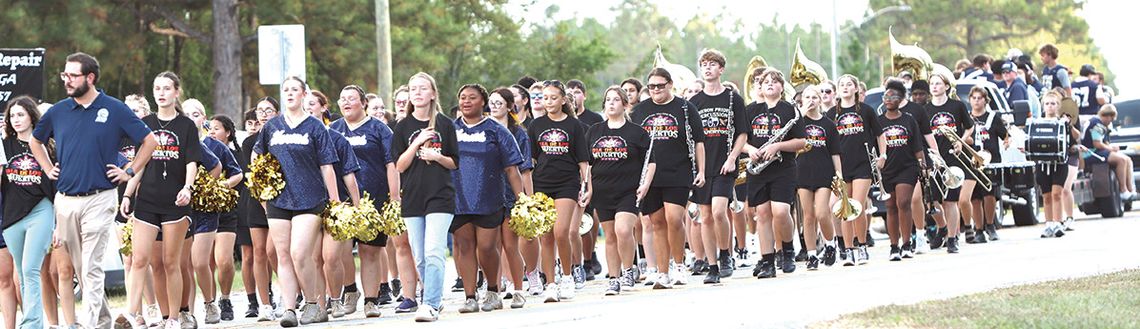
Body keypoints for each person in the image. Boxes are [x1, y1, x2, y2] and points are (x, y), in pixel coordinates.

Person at [30, 52, 158, 329]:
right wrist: (46, 167)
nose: (67, 80)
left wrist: (130, 171)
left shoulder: (114, 109)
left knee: (91, 266)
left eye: (73, 75)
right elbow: (35, 141)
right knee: (82, 268)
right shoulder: (59, 110)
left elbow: (149, 141)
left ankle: (90, 325)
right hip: (64, 201)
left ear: (90, 77)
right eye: (65, 74)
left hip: (100, 198)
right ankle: (102, 320)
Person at [252, 76, 343, 327]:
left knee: (299, 253)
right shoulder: (272, 127)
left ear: (304, 94)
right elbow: (257, 156)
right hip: (278, 199)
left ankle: (313, 304)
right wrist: (261, 187)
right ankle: (290, 309)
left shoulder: (315, 127)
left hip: (310, 198)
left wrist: (334, 203)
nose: (290, 93)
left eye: (294, 89)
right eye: (286, 90)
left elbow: (327, 167)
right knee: (283, 255)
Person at [117, 71, 203, 329]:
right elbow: (139, 164)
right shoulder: (145, 123)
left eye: (167, 88)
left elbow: (191, 162)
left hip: (176, 202)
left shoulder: (186, 126)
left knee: (170, 262)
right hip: (148, 201)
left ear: (176, 92)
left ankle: (174, 317)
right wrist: (129, 193)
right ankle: (132, 313)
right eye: (157, 88)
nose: (162, 93)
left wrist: (188, 188)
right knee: (140, 259)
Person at [450, 84, 526, 313]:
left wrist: (522, 200)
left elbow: (513, 169)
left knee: (486, 247)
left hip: (490, 198)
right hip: (458, 199)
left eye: (472, 97)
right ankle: (470, 296)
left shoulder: (496, 130)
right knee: (464, 247)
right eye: (462, 97)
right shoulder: (449, 129)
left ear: (482, 102)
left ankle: (493, 290)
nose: (466, 101)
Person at [391, 72, 459, 322]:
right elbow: (399, 165)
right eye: (413, 89)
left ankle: (429, 303)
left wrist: (437, 157)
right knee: (419, 256)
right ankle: (434, 297)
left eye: (422, 88)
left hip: (440, 196)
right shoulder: (403, 126)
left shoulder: (445, 124)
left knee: (433, 251)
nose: (417, 93)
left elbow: (454, 163)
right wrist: (417, 143)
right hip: (412, 197)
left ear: (432, 94)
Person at [330, 85, 402, 318]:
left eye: (351, 98)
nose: (346, 102)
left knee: (369, 251)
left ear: (363, 102)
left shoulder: (379, 129)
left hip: (374, 198)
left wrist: (394, 197)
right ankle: (350, 290)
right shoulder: (334, 129)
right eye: (342, 99)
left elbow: (392, 165)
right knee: (339, 250)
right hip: (342, 201)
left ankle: (371, 300)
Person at [631, 68, 706, 288]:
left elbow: (699, 141)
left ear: (670, 84)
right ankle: (662, 272)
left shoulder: (685, 108)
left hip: (678, 171)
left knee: (674, 219)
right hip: (650, 175)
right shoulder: (640, 111)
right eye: (651, 86)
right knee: (657, 222)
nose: (655, 90)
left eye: (660, 85)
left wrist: (701, 170)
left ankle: (679, 264)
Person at [588, 86, 654, 295]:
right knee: (610, 236)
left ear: (625, 104)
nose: (611, 103)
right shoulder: (594, 131)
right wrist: (587, 188)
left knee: (623, 230)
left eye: (616, 100)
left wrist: (645, 185)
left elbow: (651, 162)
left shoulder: (636, 132)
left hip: (628, 190)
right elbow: (587, 164)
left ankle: (628, 270)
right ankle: (613, 278)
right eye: (608, 100)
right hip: (602, 190)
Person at [529, 80, 591, 300]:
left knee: (561, 231)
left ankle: (567, 276)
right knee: (545, 236)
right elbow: (532, 160)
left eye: (553, 97)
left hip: (567, 183)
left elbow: (583, 161)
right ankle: (551, 283)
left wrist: (587, 186)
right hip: (542, 183)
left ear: (563, 100)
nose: (548, 102)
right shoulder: (535, 125)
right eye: (545, 98)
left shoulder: (574, 126)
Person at [688, 49, 746, 283]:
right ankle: (711, 265)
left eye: (712, 64)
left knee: (720, 211)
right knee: (705, 216)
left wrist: (732, 158)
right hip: (702, 166)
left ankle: (725, 254)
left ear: (721, 69)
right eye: (704, 64)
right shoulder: (693, 102)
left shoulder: (733, 99)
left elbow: (742, 133)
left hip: (725, 164)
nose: (708, 68)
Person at [183, 98, 242, 326]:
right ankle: (186, 312)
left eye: (196, 114)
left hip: (207, 210)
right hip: (182, 208)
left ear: (204, 119)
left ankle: (210, 303)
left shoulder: (215, 145)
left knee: (199, 262)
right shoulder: (177, 145)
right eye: (187, 114)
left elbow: (236, 173)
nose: (191, 118)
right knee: (184, 264)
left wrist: (214, 187)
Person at [742, 69, 804, 277]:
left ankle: (787, 250)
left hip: (783, 168)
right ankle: (767, 261)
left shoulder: (790, 110)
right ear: (759, 86)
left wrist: (777, 146)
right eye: (765, 81)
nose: (769, 84)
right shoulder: (750, 111)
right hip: (758, 169)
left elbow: (802, 141)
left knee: (780, 212)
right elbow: (740, 141)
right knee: (762, 214)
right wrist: (750, 150)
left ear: (781, 87)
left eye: (775, 81)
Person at [2, 95, 57, 329]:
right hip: (13, 216)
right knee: (21, 275)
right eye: (12, 115)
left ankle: (32, 324)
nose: (16, 119)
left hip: (40, 210)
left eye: (20, 114)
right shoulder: (5, 146)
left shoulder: (46, 145)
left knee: (30, 268)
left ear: (32, 116)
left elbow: (56, 184)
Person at [825, 74, 883, 265]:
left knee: (857, 207)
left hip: (862, 164)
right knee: (845, 208)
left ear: (856, 89)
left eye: (849, 84)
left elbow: (880, 134)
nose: (845, 87)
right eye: (842, 84)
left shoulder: (866, 110)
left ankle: (863, 246)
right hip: (842, 166)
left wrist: (883, 155)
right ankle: (848, 250)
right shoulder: (832, 112)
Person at [487, 87, 533, 307]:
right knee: (489, 247)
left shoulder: (519, 133)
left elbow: (525, 171)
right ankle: (493, 291)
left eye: (499, 102)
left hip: (511, 195)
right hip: (487, 195)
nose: (494, 106)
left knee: (510, 245)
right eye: (491, 102)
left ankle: (518, 289)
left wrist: (527, 201)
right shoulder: (483, 129)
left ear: (509, 106)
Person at [877, 80, 926, 261]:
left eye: (893, 96)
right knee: (890, 206)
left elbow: (917, 147)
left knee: (904, 202)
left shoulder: (909, 120)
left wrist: (923, 165)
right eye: (886, 96)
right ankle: (894, 246)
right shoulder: (879, 121)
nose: (889, 99)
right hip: (887, 170)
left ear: (901, 99)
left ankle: (907, 244)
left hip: (907, 167)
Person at [793, 86, 842, 269]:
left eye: (814, 97)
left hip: (824, 171)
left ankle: (830, 244)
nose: (811, 100)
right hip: (802, 171)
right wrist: (800, 115)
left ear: (820, 100)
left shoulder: (828, 124)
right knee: (808, 216)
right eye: (807, 97)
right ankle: (812, 254)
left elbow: (835, 152)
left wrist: (839, 175)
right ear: (802, 100)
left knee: (822, 212)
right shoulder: (797, 121)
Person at [926, 73, 974, 254]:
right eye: (932, 84)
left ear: (946, 86)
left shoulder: (957, 106)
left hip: (953, 156)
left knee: (951, 200)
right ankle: (943, 227)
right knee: (932, 200)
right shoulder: (925, 109)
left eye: (938, 83)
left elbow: (970, 126)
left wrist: (961, 141)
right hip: (934, 158)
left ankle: (953, 239)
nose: (934, 87)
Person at [206, 114, 247, 322]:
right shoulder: (194, 146)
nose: (212, 131)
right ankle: (209, 303)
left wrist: (221, 186)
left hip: (225, 210)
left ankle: (225, 298)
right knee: (205, 262)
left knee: (223, 260)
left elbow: (238, 175)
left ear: (228, 132)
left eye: (216, 128)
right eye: (209, 128)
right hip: (200, 212)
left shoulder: (231, 153)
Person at [242, 97, 279, 321]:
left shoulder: (284, 136)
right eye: (260, 111)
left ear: (277, 113)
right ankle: (264, 304)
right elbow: (252, 176)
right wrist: (265, 204)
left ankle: (291, 295)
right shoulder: (250, 143)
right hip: (257, 201)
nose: (264, 114)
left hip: (283, 203)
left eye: (269, 110)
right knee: (259, 252)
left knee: (277, 252)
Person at [565, 79, 601, 283]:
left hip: (582, 179)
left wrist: (587, 182)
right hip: (556, 180)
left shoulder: (589, 123)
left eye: (576, 94)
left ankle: (585, 261)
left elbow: (587, 158)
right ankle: (565, 266)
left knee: (580, 226)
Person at [966, 87, 1008, 244]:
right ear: (970, 100)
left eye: (980, 98)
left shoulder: (993, 117)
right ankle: (978, 229)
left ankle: (990, 225)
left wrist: (1007, 142)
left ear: (985, 100)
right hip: (972, 161)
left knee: (989, 195)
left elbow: (1005, 135)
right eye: (974, 98)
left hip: (991, 161)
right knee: (975, 197)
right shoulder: (967, 118)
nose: (976, 101)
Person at [1035, 91, 1079, 238]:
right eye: (1047, 104)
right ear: (1043, 106)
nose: (1050, 106)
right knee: (1046, 195)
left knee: (1057, 193)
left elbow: (1076, 138)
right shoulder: (1037, 122)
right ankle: (1048, 224)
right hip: (1042, 163)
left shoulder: (1062, 123)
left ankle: (1058, 223)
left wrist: (1070, 125)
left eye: (1053, 104)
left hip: (1059, 163)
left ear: (1058, 106)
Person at [1083, 104, 1135, 199]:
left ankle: (1130, 189)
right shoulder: (1098, 125)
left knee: (1127, 159)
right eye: (1111, 119)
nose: (1111, 121)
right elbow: (1097, 143)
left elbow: (1103, 142)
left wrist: (1110, 147)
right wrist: (1111, 149)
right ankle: (1123, 190)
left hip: (1095, 151)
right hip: (1090, 153)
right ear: (1108, 116)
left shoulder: (1099, 123)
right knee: (1121, 160)